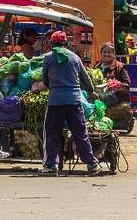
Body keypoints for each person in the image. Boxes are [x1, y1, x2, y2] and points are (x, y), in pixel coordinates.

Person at [40, 30, 101, 176]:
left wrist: (54, 88)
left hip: (55, 101)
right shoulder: (75, 58)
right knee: (80, 133)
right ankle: (92, 164)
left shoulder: (48, 58)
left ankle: (51, 165)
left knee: (52, 133)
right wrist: (91, 91)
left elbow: (45, 80)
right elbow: (86, 78)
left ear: (51, 43)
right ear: (66, 43)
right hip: (74, 101)